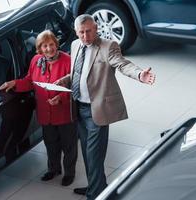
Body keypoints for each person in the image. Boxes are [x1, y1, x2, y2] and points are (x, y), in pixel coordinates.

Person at [56, 14, 156, 199]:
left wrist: (140, 74)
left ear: (96, 28)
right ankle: (97, 186)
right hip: (78, 107)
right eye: (81, 32)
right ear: (76, 32)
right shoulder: (75, 45)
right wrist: (64, 80)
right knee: (87, 153)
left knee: (94, 155)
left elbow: (123, 64)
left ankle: (95, 195)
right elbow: (77, 73)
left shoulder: (108, 47)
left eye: (88, 31)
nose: (85, 36)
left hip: (97, 110)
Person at [0, 30, 77, 186]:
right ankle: (53, 169)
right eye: (45, 46)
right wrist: (14, 83)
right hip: (45, 114)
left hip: (64, 113)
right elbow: (29, 81)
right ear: (40, 48)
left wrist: (60, 98)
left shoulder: (68, 61)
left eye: (52, 44)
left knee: (68, 146)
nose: (49, 49)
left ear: (57, 44)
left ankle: (69, 173)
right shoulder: (36, 60)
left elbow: (76, 87)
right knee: (50, 143)